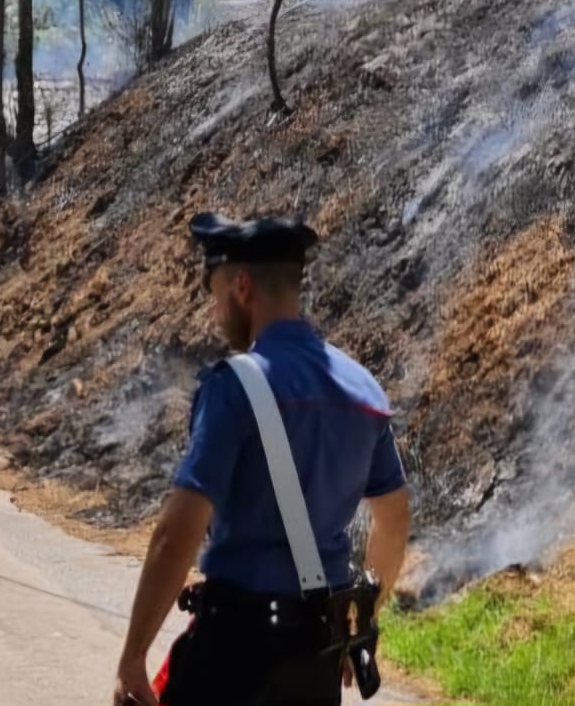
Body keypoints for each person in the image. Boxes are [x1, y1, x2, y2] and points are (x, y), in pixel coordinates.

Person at [113, 212, 412, 706]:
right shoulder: (365, 391)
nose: (216, 311)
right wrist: (358, 624)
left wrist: (132, 657)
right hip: (316, 656)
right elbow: (394, 522)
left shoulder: (235, 386)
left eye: (216, 294)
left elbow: (175, 533)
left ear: (242, 287)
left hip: (233, 647)